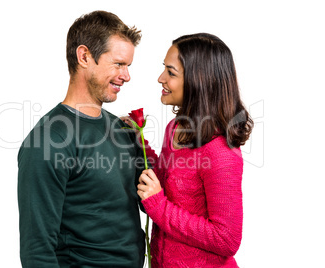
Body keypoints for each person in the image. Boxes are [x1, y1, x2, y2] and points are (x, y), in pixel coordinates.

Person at [17, 11, 146, 267]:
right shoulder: (49, 140)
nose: (127, 76)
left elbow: (149, 199)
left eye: (128, 66)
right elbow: (37, 250)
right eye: (118, 64)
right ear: (84, 56)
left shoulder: (121, 128)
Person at [136, 33, 253, 267]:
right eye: (164, 69)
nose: (161, 78)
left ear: (198, 81)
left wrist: (158, 205)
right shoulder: (175, 129)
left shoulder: (221, 153)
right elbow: (162, 186)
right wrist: (137, 142)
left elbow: (226, 239)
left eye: (171, 72)